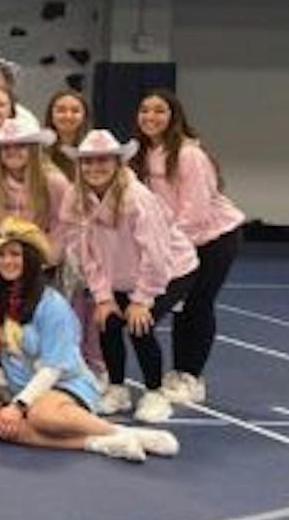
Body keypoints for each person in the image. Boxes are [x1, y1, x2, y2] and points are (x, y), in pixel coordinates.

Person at [0, 218, 178, 463]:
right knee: (1, 426)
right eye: (1, 255)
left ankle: (124, 432)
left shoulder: (52, 305)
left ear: (30, 260)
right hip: (22, 392)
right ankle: (100, 442)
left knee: (41, 414)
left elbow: (53, 368)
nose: (7, 261)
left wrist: (19, 406)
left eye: (15, 254)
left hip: (65, 385)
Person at [57, 130, 198, 425]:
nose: (95, 168)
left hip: (170, 270)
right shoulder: (76, 197)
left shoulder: (138, 199)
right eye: (88, 162)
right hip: (119, 273)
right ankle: (117, 388)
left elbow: (156, 255)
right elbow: (85, 252)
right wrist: (103, 297)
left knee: (138, 325)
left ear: (118, 163)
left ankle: (155, 393)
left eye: (103, 161)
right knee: (107, 321)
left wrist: (143, 300)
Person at [133, 90, 244, 406]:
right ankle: (180, 372)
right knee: (181, 306)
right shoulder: (140, 153)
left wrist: (169, 253)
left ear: (173, 116)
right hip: (174, 241)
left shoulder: (188, 154)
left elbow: (194, 212)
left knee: (196, 303)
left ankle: (190, 376)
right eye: (144, 111)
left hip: (213, 239)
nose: (150, 117)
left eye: (159, 111)